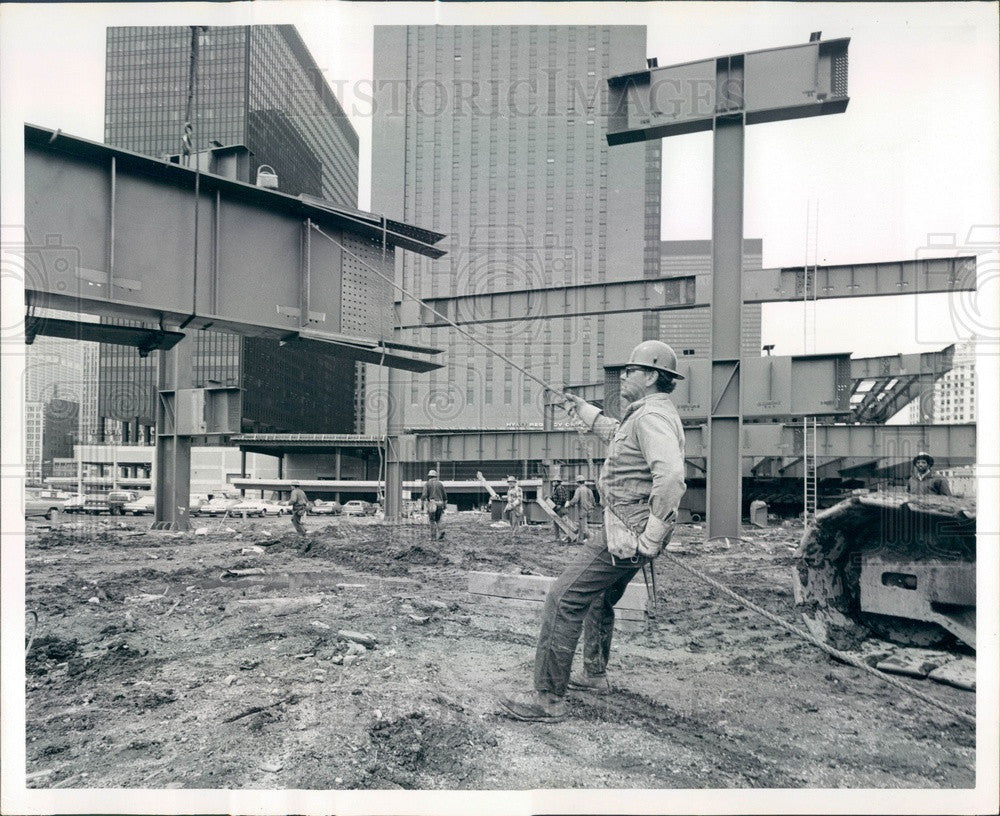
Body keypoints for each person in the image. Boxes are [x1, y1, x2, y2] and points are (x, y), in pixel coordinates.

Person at [500, 340, 686, 723]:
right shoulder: (646, 415)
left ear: (651, 376)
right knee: (598, 597)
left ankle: (547, 700)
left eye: (631, 370)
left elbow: (671, 477)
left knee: (563, 596)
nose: (623, 376)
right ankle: (594, 673)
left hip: (628, 530)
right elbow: (615, 432)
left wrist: (650, 535)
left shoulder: (651, 417)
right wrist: (579, 409)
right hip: (630, 526)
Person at [565, 475, 596, 545]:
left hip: (583, 510)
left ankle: (590, 539)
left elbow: (575, 499)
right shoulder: (589, 490)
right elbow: (593, 501)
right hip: (589, 510)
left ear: (578, 482)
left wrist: (569, 504)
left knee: (583, 526)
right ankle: (581, 540)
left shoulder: (578, 490)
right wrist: (592, 507)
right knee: (584, 525)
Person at [421, 469, 448, 540]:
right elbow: (445, 496)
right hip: (440, 503)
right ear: (436, 476)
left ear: (429, 476)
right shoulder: (440, 484)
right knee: (438, 519)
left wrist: (422, 505)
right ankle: (441, 531)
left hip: (432, 504)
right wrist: (445, 506)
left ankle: (433, 537)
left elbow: (424, 495)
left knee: (432, 520)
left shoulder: (427, 484)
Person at [548, 477, 571, 542]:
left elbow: (562, 498)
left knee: (560, 523)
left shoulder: (559, 488)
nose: (552, 483)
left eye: (553, 481)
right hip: (559, 508)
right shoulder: (556, 489)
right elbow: (557, 497)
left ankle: (566, 536)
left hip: (560, 509)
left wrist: (559, 505)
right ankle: (558, 537)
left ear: (557, 482)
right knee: (557, 523)